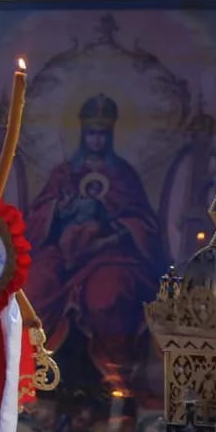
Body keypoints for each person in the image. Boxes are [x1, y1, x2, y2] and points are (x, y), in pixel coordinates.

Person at [25, 94, 166, 397]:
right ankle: (32, 378)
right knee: (35, 284)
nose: (97, 140)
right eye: (92, 132)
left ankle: (117, 385)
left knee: (107, 294)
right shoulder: (64, 173)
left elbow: (144, 224)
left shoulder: (123, 175)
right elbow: (38, 217)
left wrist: (116, 225)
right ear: (82, 133)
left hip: (110, 254)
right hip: (63, 252)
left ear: (111, 135)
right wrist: (58, 211)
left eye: (102, 134)